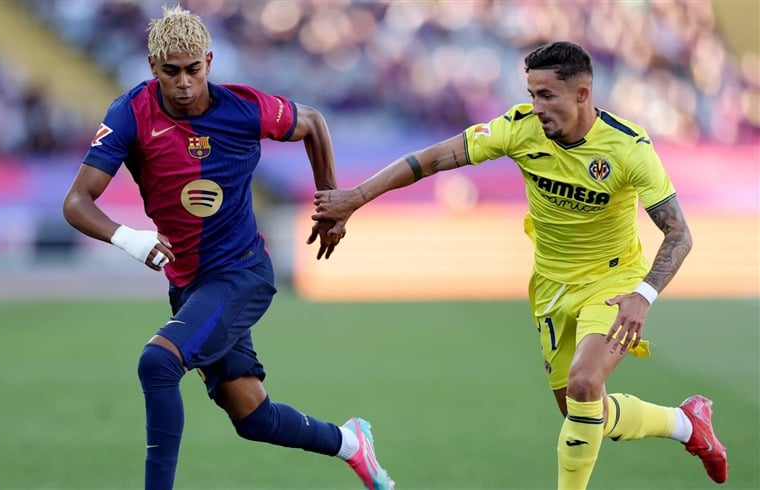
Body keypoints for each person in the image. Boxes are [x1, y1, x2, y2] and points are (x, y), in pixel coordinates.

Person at [312, 41, 728, 489]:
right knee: (582, 413)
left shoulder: (628, 148)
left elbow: (679, 233)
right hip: (551, 286)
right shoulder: (519, 129)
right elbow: (432, 159)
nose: (537, 107)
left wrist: (642, 296)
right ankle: (686, 424)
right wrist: (355, 198)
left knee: (585, 384)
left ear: (582, 94)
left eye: (546, 95)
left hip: (613, 282)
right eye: (532, 94)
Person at [62, 6, 394, 490]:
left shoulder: (243, 108)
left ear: (209, 63)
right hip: (190, 286)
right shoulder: (130, 113)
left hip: (242, 274)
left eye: (193, 70)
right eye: (171, 71)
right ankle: (350, 442)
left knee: (157, 362)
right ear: (153, 67)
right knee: (252, 416)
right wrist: (129, 238)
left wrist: (331, 203)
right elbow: (76, 202)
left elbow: (313, 122)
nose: (184, 83)